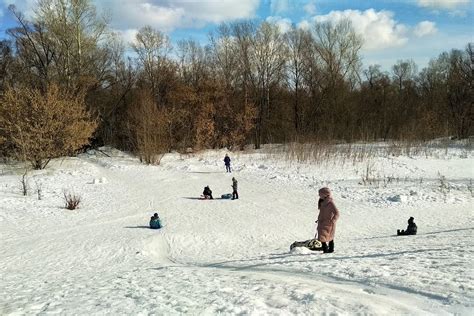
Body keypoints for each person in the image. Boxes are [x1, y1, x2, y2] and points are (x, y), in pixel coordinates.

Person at [317, 187, 340, 253]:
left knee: (329, 236)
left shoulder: (330, 203)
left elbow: (337, 213)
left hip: (329, 223)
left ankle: (329, 250)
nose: (319, 195)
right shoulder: (322, 202)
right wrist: (319, 219)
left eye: (320, 194)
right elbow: (321, 212)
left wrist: (333, 220)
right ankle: (326, 250)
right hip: (322, 222)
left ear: (325, 194)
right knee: (322, 236)